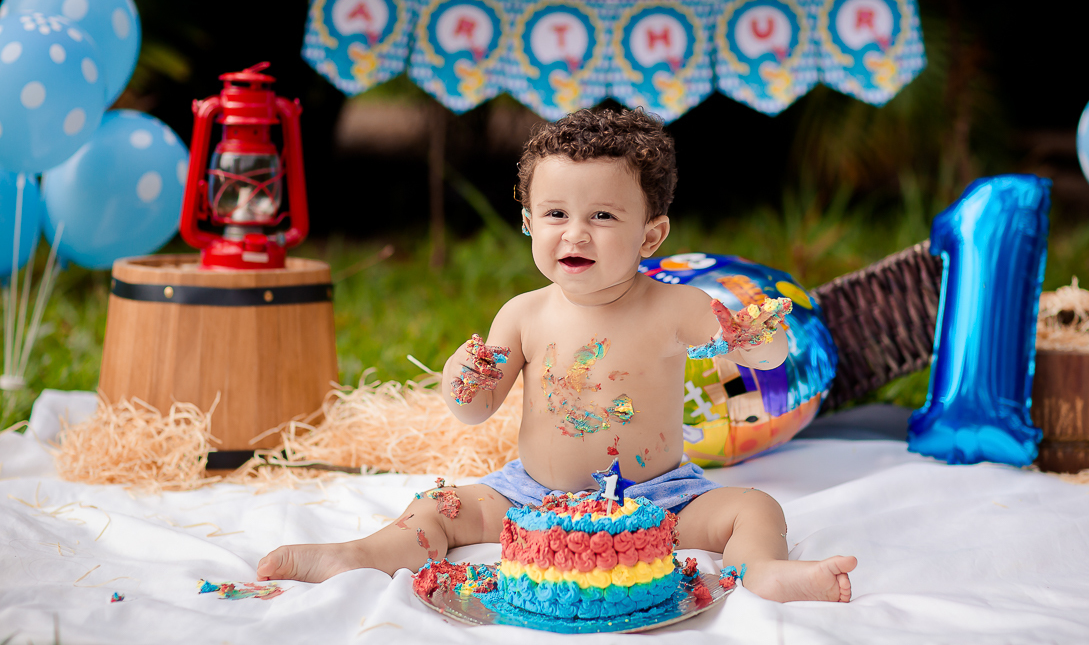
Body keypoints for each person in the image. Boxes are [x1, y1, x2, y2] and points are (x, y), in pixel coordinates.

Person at [258, 106, 856, 603]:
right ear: (527, 222)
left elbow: (771, 358)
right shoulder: (523, 314)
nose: (575, 233)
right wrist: (460, 380)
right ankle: (358, 556)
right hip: (530, 496)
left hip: (657, 499)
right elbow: (475, 410)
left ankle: (764, 572)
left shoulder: (676, 308)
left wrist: (756, 336)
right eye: (555, 214)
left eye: (602, 216)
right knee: (435, 506)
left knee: (753, 506)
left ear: (650, 235)